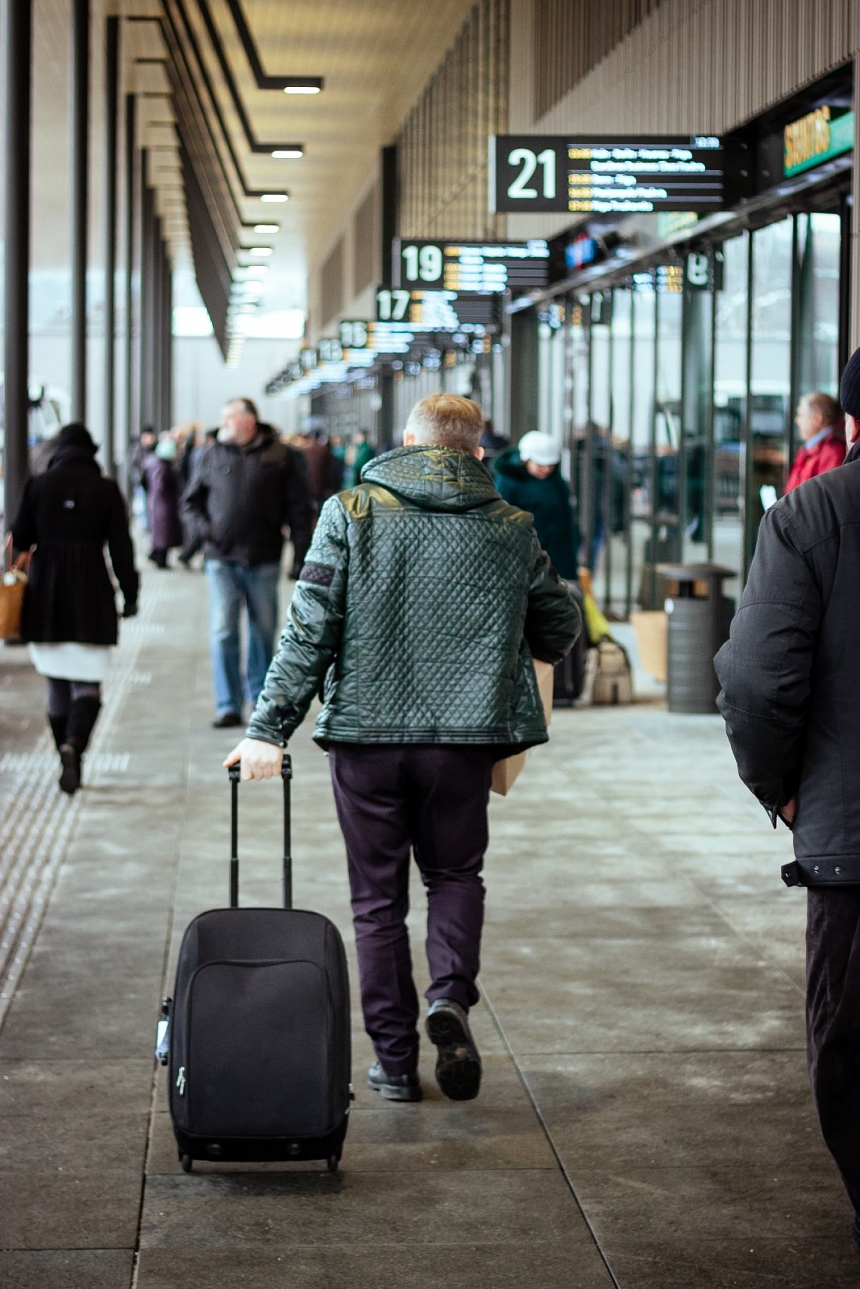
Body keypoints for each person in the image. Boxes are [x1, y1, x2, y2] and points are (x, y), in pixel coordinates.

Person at [224, 393, 581, 1104]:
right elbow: (560, 624)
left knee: (376, 902)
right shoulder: (510, 525)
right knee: (455, 876)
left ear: (409, 441)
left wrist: (267, 728)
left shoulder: (351, 513)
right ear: (478, 452)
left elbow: (308, 631)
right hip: (465, 741)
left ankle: (394, 1060)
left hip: (367, 738)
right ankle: (449, 996)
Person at [714, 346, 860, 1253]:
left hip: (854, 843)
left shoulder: (812, 514)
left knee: (851, 1048)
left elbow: (759, 680)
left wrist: (784, 792)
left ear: (848, 422)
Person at [8, 422, 138, 794]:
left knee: (56, 679)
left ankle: (63, 752)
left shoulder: (38, 485)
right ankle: (74, 746)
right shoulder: (106, 489)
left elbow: (21, 536)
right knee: (87, 680)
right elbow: (121, 548)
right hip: (91, 591)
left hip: (45, 592)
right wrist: (130, 595)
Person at [182, 397, 313, 729]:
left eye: (229, 417)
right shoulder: (210, 454)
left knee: (264, 630)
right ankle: (228, 704)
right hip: (221, 559)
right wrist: (206, 531)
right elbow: (191, 502)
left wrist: (301, 556)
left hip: (263, 557)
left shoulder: (280, 456)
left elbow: (299, 509)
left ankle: (259, 699)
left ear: (249, 421)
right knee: (223, 629)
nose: (223, 422)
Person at [493, 431, 580, 578]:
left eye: (550, 465)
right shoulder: (508, 483)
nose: (546, 469)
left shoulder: (557, 482)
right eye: (540, 465)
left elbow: (566, 525)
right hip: (521, 561)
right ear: (525, 460)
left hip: (557, 559)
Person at [784, 391, 845, 493]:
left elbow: (826, 498)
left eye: (801, 415)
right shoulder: (810, 449)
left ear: (817, 419)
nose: (797, 421)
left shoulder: (832, 453)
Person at [144, 438, 183, 569]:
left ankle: (159, 556)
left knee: (163, 535)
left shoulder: (160, 465)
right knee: (163, 535)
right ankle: (159, 558)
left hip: (162, 504)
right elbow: (159, 486)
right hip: (163, 505)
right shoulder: (162, 467)